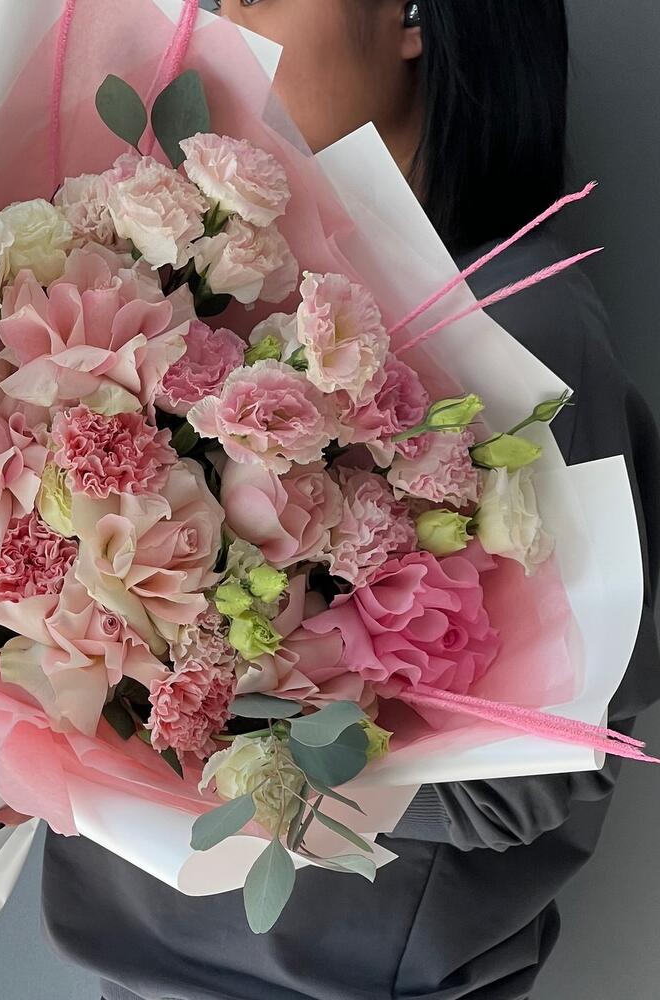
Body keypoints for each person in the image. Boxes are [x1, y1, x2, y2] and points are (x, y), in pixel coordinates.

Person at [35, 3, 660, 999]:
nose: (217, 19)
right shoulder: (197, 286)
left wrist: (207, 739)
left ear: (412, 14)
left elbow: (534, 775)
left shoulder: (521, 327)